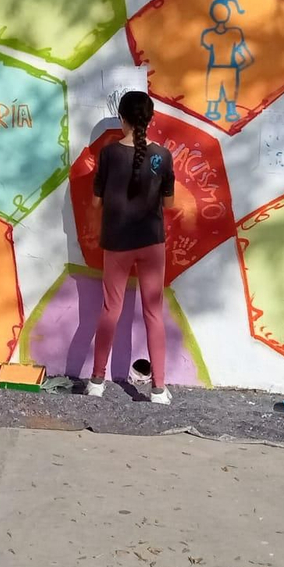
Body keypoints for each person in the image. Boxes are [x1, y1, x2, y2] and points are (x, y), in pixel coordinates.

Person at [87, 91, 178, 405]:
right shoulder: (163, 156)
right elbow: (169, 203)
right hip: (152, 242)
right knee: (153, 313)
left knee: (110, 309)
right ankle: (158, 389)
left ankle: (96, 381)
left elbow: (96, 202)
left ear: (122, 118)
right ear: (150, 119)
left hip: (117, 242)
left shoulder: (108, 154)